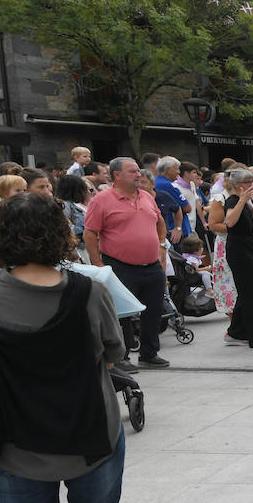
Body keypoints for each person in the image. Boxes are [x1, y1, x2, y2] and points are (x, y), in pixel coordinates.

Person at [0, 194, 130, 503]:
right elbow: (114, 352)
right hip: (90, 438)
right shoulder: (88, 291)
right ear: (60, 232)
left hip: (15, 447)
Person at [82, 157, 170, 371]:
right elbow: (90, 233)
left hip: (151, 265)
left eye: (138, 171)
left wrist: (161, 246)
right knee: (121, 313)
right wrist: (97, 263)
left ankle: (149, 353)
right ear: (116, 175)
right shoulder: (102, 200)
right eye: (132, 172)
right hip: (120, 265)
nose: (138, 175)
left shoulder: (147, 197)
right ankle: (120, 357)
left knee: (154, 311)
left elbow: (159, 222)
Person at [219, 167, 253, 348]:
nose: (251, 185)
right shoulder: (233, 200)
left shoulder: (243, 201)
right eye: (247, 182)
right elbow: (230, 221)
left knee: (246, 292)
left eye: (251, 182)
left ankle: (235, 332)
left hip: (246, 249)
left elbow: (250, 215)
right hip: (238, 251)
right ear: (237, 185)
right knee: (250, 294)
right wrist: (243, 200)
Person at [152, 157, 187, 244]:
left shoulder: (157, 182)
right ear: (168, 170)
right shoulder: (167, 185)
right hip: (173, 234)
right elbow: (187, 208)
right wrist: (178, 228)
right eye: (177, 169)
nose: (179, 172)